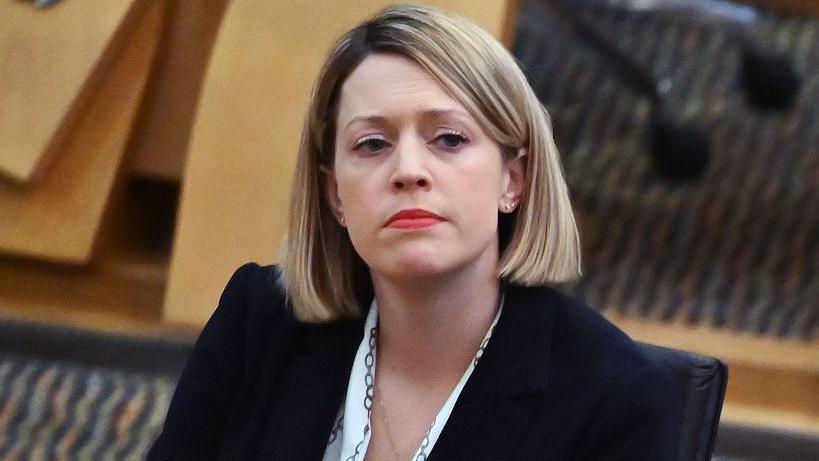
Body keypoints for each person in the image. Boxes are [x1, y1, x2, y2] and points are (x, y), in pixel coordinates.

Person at [148, 4, 683, 460]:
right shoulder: (258, 324)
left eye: (448, 139)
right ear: (336, 195)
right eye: (372, 145)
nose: (408, 170)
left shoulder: (616, 398)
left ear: (512, 181)